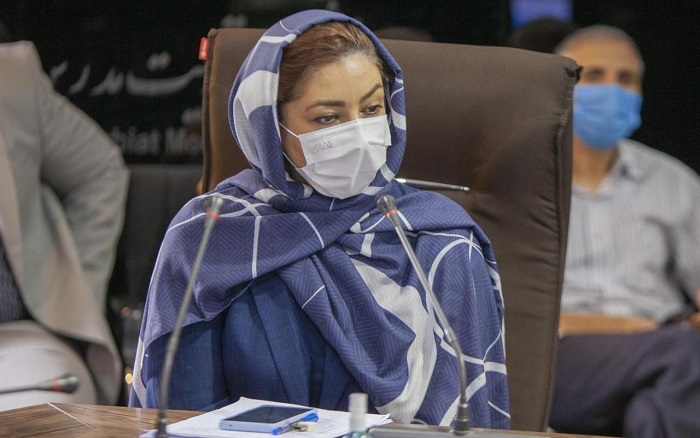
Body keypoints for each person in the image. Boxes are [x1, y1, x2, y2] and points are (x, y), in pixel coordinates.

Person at [130, 9, 510, 429]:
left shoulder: (441, 238)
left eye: (372, 108)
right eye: (328, 118)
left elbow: (472, 418)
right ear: (270, 127)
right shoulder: (211, 234)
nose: (358, 133)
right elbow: (183, 413)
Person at [550, 25, 700, 437]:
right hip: (558, 355)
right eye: (594, 75)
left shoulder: (673, 180)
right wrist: (626, 329)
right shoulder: (521, 179)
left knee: (652, 408)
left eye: (626, 79)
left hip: (664, 353)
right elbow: (497, 305)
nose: (612, 90)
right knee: (683, 357)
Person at [0, 41, 128, 410]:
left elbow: (98, 172)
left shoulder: (11, 78)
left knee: (41, 420)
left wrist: (75, 295)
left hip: (20, 342)